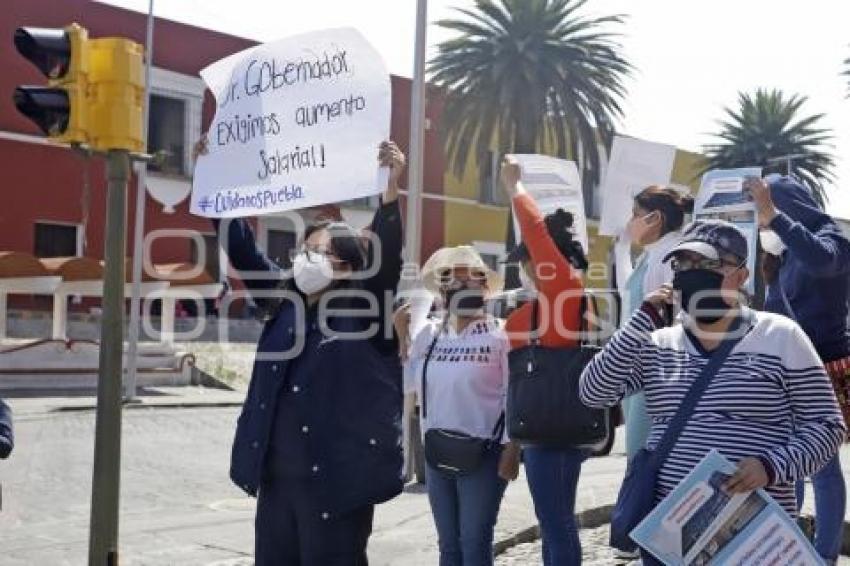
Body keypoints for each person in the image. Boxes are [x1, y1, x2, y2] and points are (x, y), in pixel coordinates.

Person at [580, 220, 846, 555]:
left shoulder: (781, 336)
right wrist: (641, 319)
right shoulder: (657, 342)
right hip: (670, 539)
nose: (692, 273)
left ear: (741, 275)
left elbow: (827, 425)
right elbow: (593, 392)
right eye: (683, 264)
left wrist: (771, 466)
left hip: (754, 539)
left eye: (707, 264)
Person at [203, 139, 406, 565]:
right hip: (277, 483)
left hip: (339, 486)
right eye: (305, 251)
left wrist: (389, 191)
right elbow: (240, 246)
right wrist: (213, 175)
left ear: (349, 265)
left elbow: (386, 263)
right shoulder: (281, 300)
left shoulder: (367, 309)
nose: (308, 259)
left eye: (322, 252)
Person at [751, 175, 850, 565]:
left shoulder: (832, 238)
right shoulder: (782, 255)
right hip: (786, 370)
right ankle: (789, 545)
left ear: (789, 206)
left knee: (822, 468)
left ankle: (823, 555)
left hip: (825, 369)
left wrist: (774, 218)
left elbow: (823, 261)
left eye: (766, 211)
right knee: (789, 467)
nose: (762, 224)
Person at [498, 157, 588, 566]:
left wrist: (514, 186)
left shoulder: (565, 290)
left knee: (556, 523)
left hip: (556, 432)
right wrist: (514, 444)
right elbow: (517, 386)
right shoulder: (526, 314)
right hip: (538, 430)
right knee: (553, 520)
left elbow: (535, 231)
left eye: (526, 259)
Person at [401, 245, 511, 566]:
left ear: (486, 289)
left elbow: (514, 394)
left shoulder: (501, 335)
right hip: (437, 453)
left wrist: (512, 450)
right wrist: (401, 337)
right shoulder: (430, 334)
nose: (463, 287)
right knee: (448, 546)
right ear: (443, 292)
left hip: (485, 455)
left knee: (475, 544)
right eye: (455, 282)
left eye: (471, 281)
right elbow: (412, 387)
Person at [619, 186, 693, 468]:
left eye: (636, 214)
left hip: (657, 375)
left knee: (645, 462)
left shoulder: (671, 255)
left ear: (655, 218)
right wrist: (620, 247)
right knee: (638, 460)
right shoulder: (651, 254)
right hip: (638, 370)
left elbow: (677, 319)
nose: (630, 221)